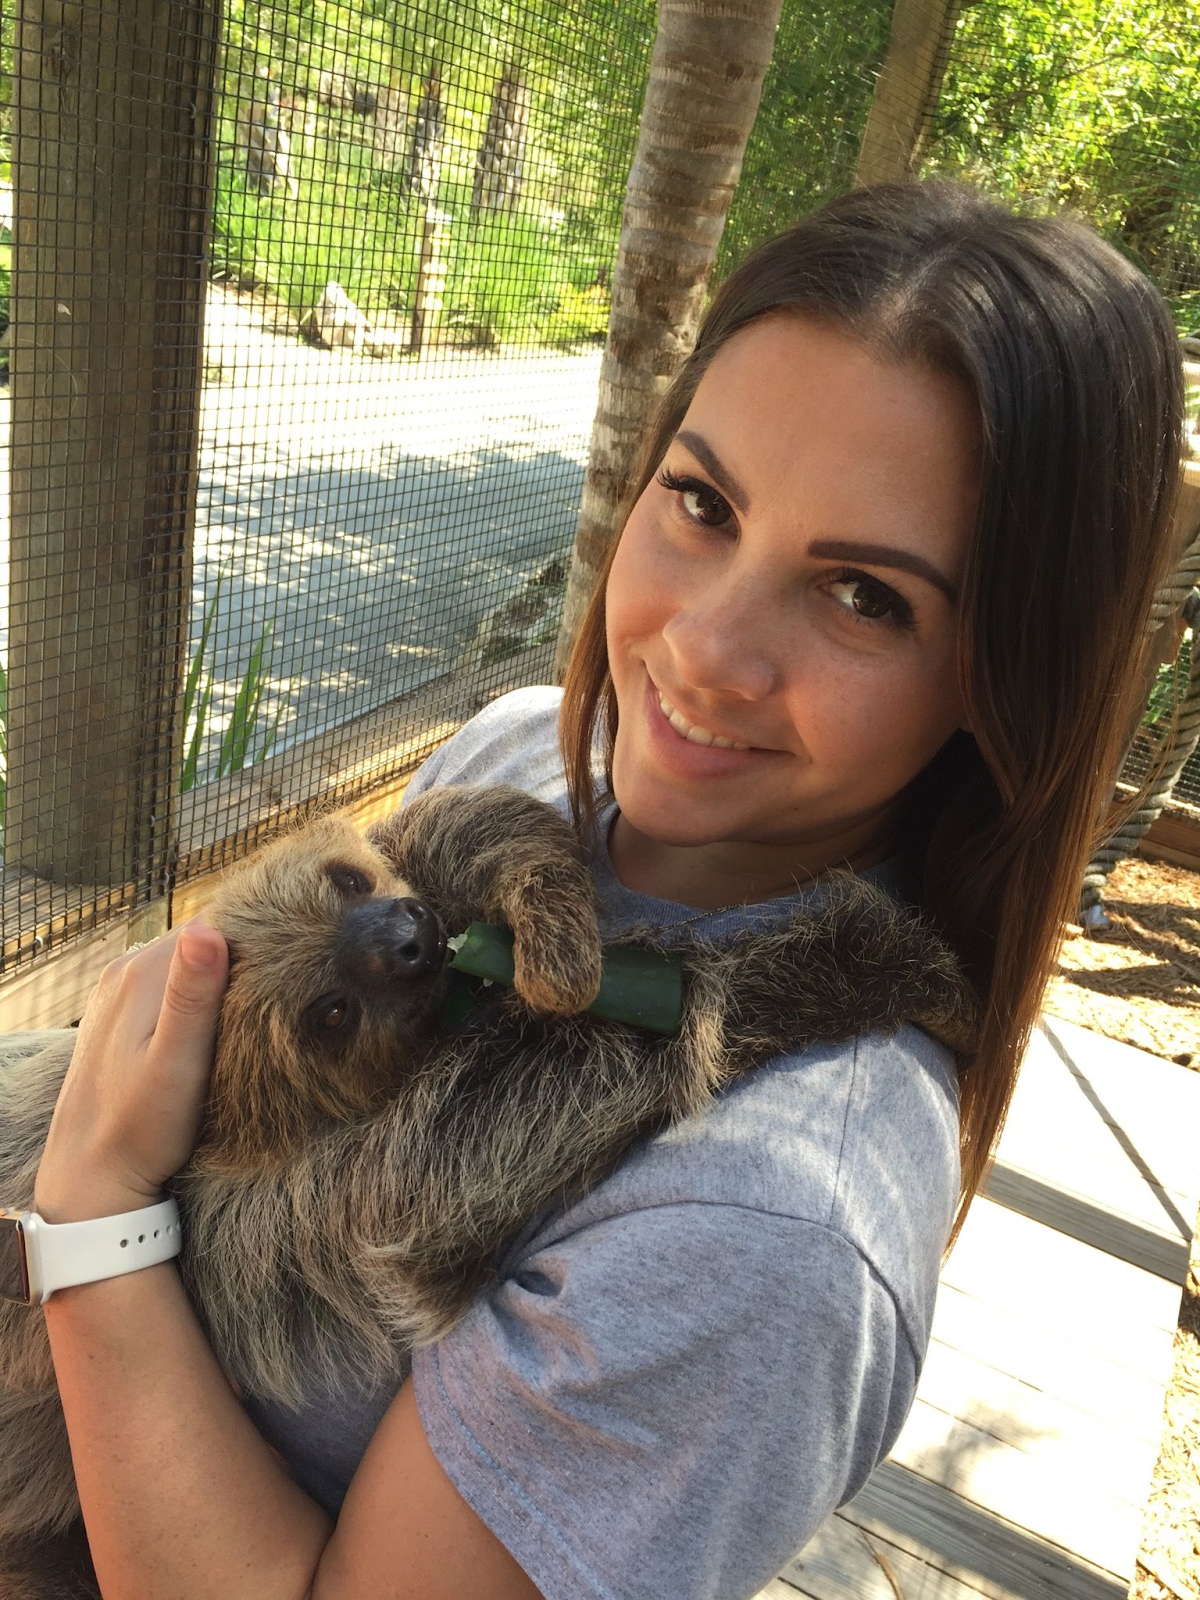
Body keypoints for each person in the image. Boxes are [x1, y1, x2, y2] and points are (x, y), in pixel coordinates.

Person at [31, 180, 1183, 1599]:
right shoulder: (533, 743)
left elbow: (455, 1150)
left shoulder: (772, 1234)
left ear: (1007, 675)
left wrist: (87, 1209)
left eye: (866, 595)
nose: (704, 653)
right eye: (701, 502)